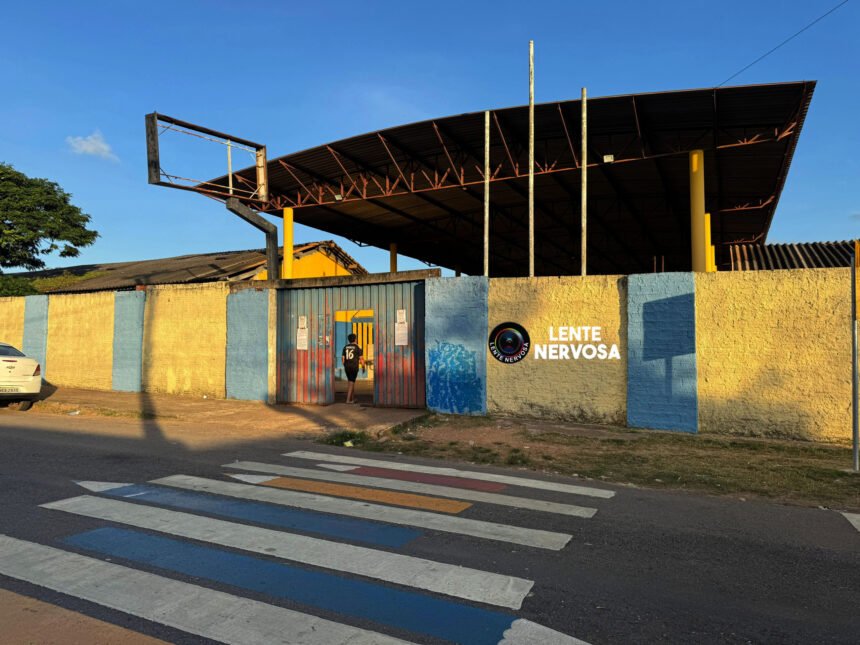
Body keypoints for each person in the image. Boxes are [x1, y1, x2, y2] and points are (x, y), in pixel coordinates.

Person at [341, 332, 364, 404]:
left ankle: (352, 399)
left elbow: (343, 359)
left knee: (351, 382)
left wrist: (345, 365)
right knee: (351, 382)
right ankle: (348, 400)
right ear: (355, 339)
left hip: (347, 366)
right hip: (354, 367)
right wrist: (363, 366)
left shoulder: (345, 347)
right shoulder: (358, 347)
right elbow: (361, 358)